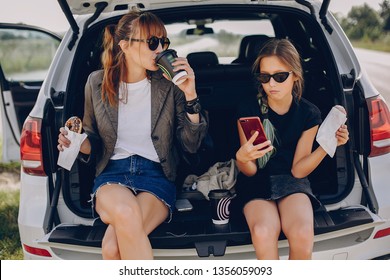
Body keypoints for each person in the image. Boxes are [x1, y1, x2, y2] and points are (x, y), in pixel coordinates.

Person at [57, 8, 207, 259]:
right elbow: (93, 141)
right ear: (124, 45)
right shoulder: (96, 82)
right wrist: (78, 143)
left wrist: (191, 95)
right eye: (152, 42)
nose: (160, 49)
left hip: (157, 176)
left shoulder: (170, 85)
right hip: (112, 175)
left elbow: (191, 145)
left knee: (112, 247)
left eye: (163, 41)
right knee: (126, 214)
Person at [233, 38, 349, 260]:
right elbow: (251, 171)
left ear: (295, 75)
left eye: (280, 76)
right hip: (257, 180)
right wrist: (241, 158)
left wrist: (327, 145)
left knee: (303, 233)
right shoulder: (248, 108)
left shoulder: (309, 113)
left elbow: (298, 171)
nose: (272, 84)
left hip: (292, 180)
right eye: (265, 77)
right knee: (263, 231)